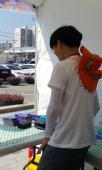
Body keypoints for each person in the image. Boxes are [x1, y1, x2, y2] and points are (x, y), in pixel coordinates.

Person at [37, 26, 100, 170]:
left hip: (64, 140)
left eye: (53, 50)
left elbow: (53, 107)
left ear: (59, 43)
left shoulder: (63, 67)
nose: (56, 54)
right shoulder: (87, 68)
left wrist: (47, 136)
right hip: (86, 139)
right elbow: (96, 106)